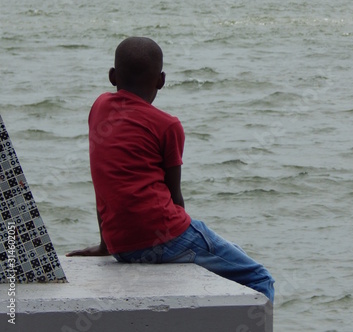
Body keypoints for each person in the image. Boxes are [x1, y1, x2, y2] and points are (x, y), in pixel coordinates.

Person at [67, 37, 275, 303]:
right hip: (164, 234)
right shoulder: (167, 125)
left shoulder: (99, 108)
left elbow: (106, 182)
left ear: (112, 76)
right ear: (161, 80)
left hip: (122, 246)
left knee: (231, 252)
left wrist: (106, 245)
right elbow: (175, 197)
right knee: (258, 277)